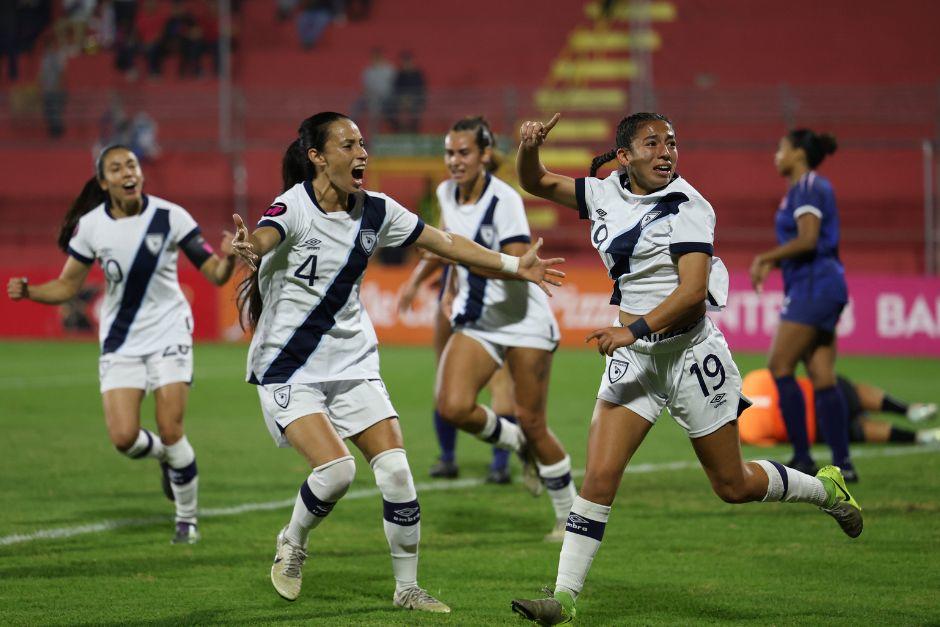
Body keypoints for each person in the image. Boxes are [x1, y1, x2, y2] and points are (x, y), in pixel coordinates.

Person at [508, 112, 863, 625]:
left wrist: (629, 331)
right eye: (652, 143)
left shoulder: (689, 206)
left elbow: (693, 293)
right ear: (625, 155)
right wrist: (528, 147)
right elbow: (534, 181)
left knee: (732, 484)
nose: (666, 152)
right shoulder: (605, 193)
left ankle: (824, 488)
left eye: (671, 143)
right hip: (636, 361)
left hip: (690, 356)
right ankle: (563, 598)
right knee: (600, 478)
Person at [230, 111, 564, 610]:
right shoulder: (293, 206)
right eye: (348, 145)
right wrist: (249, 248)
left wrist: (516, 265)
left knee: (397, 475)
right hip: (289, 366)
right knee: (337, 473)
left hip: (353, 363)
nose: (362, 152)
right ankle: (293, 543)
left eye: (362, 143)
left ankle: (406, 589)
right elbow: (264, 236)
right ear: (317, 157)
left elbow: (446, 243)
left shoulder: (378, 211)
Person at [6, 144, 237, 544]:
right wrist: (30, 292)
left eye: (131, 164)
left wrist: (230, 258)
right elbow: (67, 285)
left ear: (140, 173)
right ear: (103, 181)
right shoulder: (92, 225)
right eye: (116, 168)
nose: (127, 171)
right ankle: (169, 458)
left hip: (169, 331)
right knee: (124, 439)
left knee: (170, 428)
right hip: (121, 339)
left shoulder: (170, 216)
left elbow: (215, 274)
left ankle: (187, 520)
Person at [418, 116, 576, 541]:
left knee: (535, 421)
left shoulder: (504, 199)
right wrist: (448, 283)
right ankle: (516, 443)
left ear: (484, 155)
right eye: (449, 152)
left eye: (463, 152)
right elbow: (451, 246)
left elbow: (520, 267)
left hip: (523, 321)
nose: (454, 161)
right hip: (481, 320)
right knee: (452, 405)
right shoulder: (443, 193)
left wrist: (467, 263)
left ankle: (567, 516)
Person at [749, 129, 853, 480]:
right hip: (823, 286)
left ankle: (803, 458)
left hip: (815, 286)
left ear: (797, 153)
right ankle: (843, 464)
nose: (776, 155)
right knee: (822, 376)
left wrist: (765, 257)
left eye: (780, 149)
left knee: (779, 366)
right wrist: (776, 261)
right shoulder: (801, 190)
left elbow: (808, 240)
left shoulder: (809, 186)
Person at [398, 257, 517, 484]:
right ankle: (500, 466)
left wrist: (415, 281)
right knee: (501, 381)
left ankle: (448, 458)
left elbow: (443, 248)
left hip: (456, 297)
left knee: (445, 377)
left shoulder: (457, 220)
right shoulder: (509, 222)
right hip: (495, 299)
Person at [739, 369, 940, 447]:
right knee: (854, 393)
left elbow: (774, 444)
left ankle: (920, 437)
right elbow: (785, 374)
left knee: (860, 430)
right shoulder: (753, 379)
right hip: (816, 394)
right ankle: (907, 410)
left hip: (814, 428)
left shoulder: (749, 434)